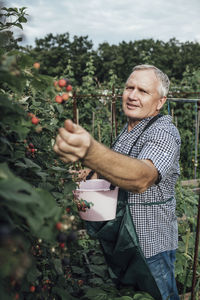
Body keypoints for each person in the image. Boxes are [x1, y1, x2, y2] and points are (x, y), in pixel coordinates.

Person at [53, 64, 181, 300]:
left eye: (143, 91)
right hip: (122, 243)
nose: (132, 96)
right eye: (129, 87)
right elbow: (119, 165)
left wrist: (91, 152)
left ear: (160, 102)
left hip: (150, 245)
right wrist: (92, 171)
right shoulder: (130, 128)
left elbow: (142, 177)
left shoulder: (163, 132)